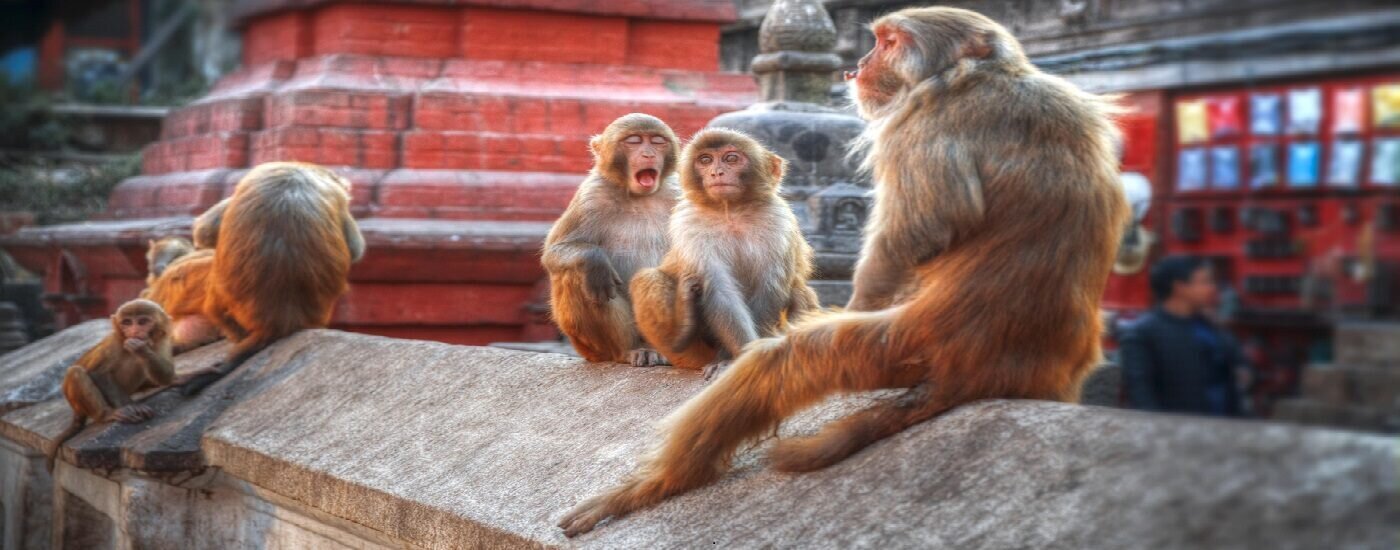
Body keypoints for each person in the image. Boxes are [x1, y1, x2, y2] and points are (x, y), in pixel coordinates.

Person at [1120, 255, 1248, 417]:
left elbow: (1236, 369)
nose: (1212, 288)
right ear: (1179, 287)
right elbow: (1141, 395)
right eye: (1204, 282)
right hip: (1176, 432)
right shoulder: (1142, 334)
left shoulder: (1209, 326)